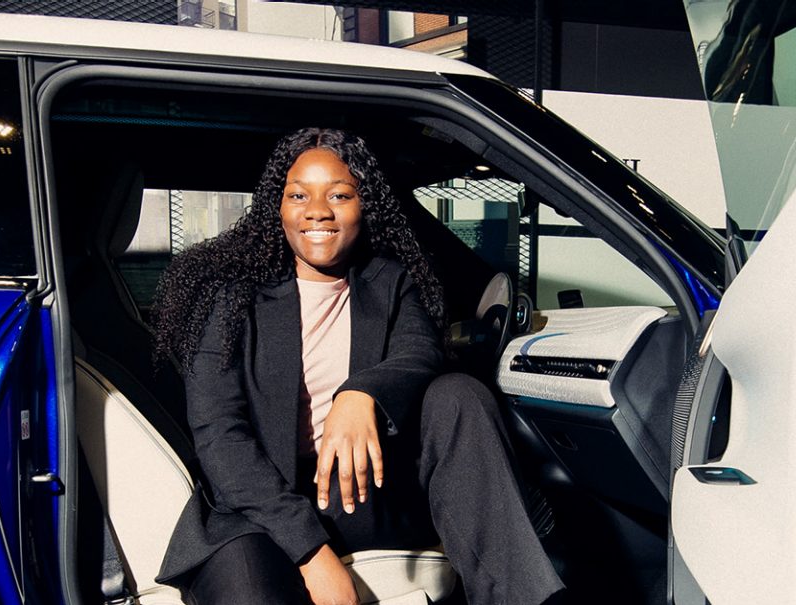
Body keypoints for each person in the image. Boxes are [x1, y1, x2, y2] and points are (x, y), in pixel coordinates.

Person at [151, 128, 564, 605]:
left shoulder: (390, 281)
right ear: (277, 207)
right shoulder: (228, 294)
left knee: (457, 393)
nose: (318, 211)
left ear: (364, 205)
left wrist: (360, 393)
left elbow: (420, 352)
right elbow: (220, 436)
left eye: (340, 194)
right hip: (258, 503)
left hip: (365, 493)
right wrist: (312, 553)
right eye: (299, 195)